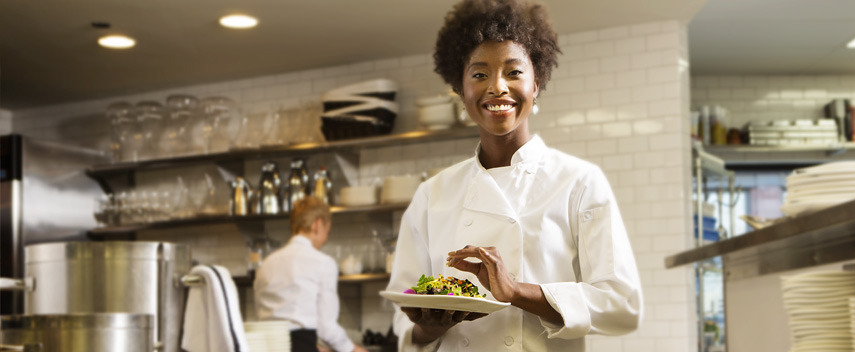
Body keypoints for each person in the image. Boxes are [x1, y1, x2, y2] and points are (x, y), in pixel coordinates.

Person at [386, 0, 644, 350]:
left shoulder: (578, 181)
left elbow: (622, 304)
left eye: (514, 72)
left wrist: (515, 292)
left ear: (536, 83)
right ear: (461, 91)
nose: (497, 87)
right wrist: (427, 328)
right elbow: (404, 317)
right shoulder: (432, 194)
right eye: (479, 74)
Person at [254, 197, 368, 352]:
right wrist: (354, 350)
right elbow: (326, 327)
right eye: (327, 231)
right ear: (318, 224)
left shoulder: (266, 264)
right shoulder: (323, 263)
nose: (326, 238)